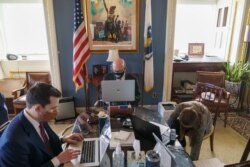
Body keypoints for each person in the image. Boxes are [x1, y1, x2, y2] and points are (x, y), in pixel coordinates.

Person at [0, 83, 83, 167]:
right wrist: (58, 159)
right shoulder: (13, 143)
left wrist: (62, 139)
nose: (57, 111)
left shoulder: (38, 116)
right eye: (53, 108)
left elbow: (40, 140)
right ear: (38, 108)